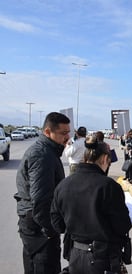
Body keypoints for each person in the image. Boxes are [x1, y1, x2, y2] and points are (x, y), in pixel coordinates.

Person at [51, 135, 132, 274]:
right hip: (104, 258)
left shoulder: (63, 185)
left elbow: (58, 224)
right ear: (105, 159)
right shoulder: (109, 186)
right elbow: (122, 226)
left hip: (75, 256)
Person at [14, 112, 71, 274]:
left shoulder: (49, 152)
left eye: (68, 132)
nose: (67, 137)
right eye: (63, 133)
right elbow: (41, 201)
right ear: (47, 132)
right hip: (39, 231)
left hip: (38, 227)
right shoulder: (42, 155)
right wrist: (52, 230)